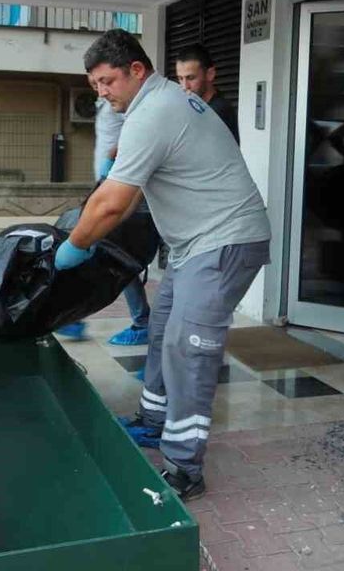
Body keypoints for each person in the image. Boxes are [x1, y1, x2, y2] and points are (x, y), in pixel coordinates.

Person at [55, 29, 270, 500]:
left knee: (187, 348)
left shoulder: (153, 111)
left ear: (137, 70)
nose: (102, 92)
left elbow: (114, 203)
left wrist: (74, 246)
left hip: (224, 241)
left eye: (107, 81)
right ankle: (154, 421)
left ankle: (184, 467)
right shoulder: (161, 102)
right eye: (94, 85)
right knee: (161, 330)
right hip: (196, 244)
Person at [54, 84, 158, 348]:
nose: (98, 85)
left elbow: (134, 139)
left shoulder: (127, 100)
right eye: (94, 79)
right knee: (116, 258)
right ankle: (137, 321)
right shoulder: (106, 99)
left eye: (103, 78)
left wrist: (112, 167)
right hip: (110, 186)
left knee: (115, 257)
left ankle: (138, 322)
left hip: (123, 191)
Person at [174, 44, 239, 143]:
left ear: (210, 74)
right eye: (180, 78)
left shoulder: (217, 111)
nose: (184, 86)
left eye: (191, 78)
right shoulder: (201, 107)